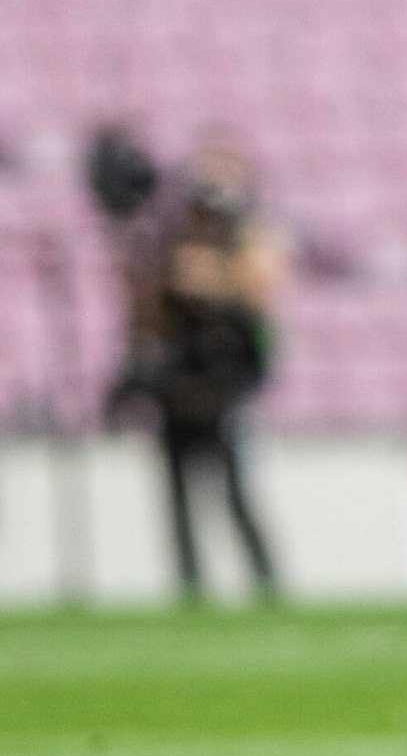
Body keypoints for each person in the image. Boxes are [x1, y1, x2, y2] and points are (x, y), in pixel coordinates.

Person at [104, 135, 284, 602]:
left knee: (237, 496)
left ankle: (267, 584)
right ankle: (191, 589)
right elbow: (148, 317)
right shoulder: (167, 250)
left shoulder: (244, 242)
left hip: (224, 390)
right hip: (179, 389)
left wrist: (210, 278)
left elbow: (262, 295)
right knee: (179, 499)